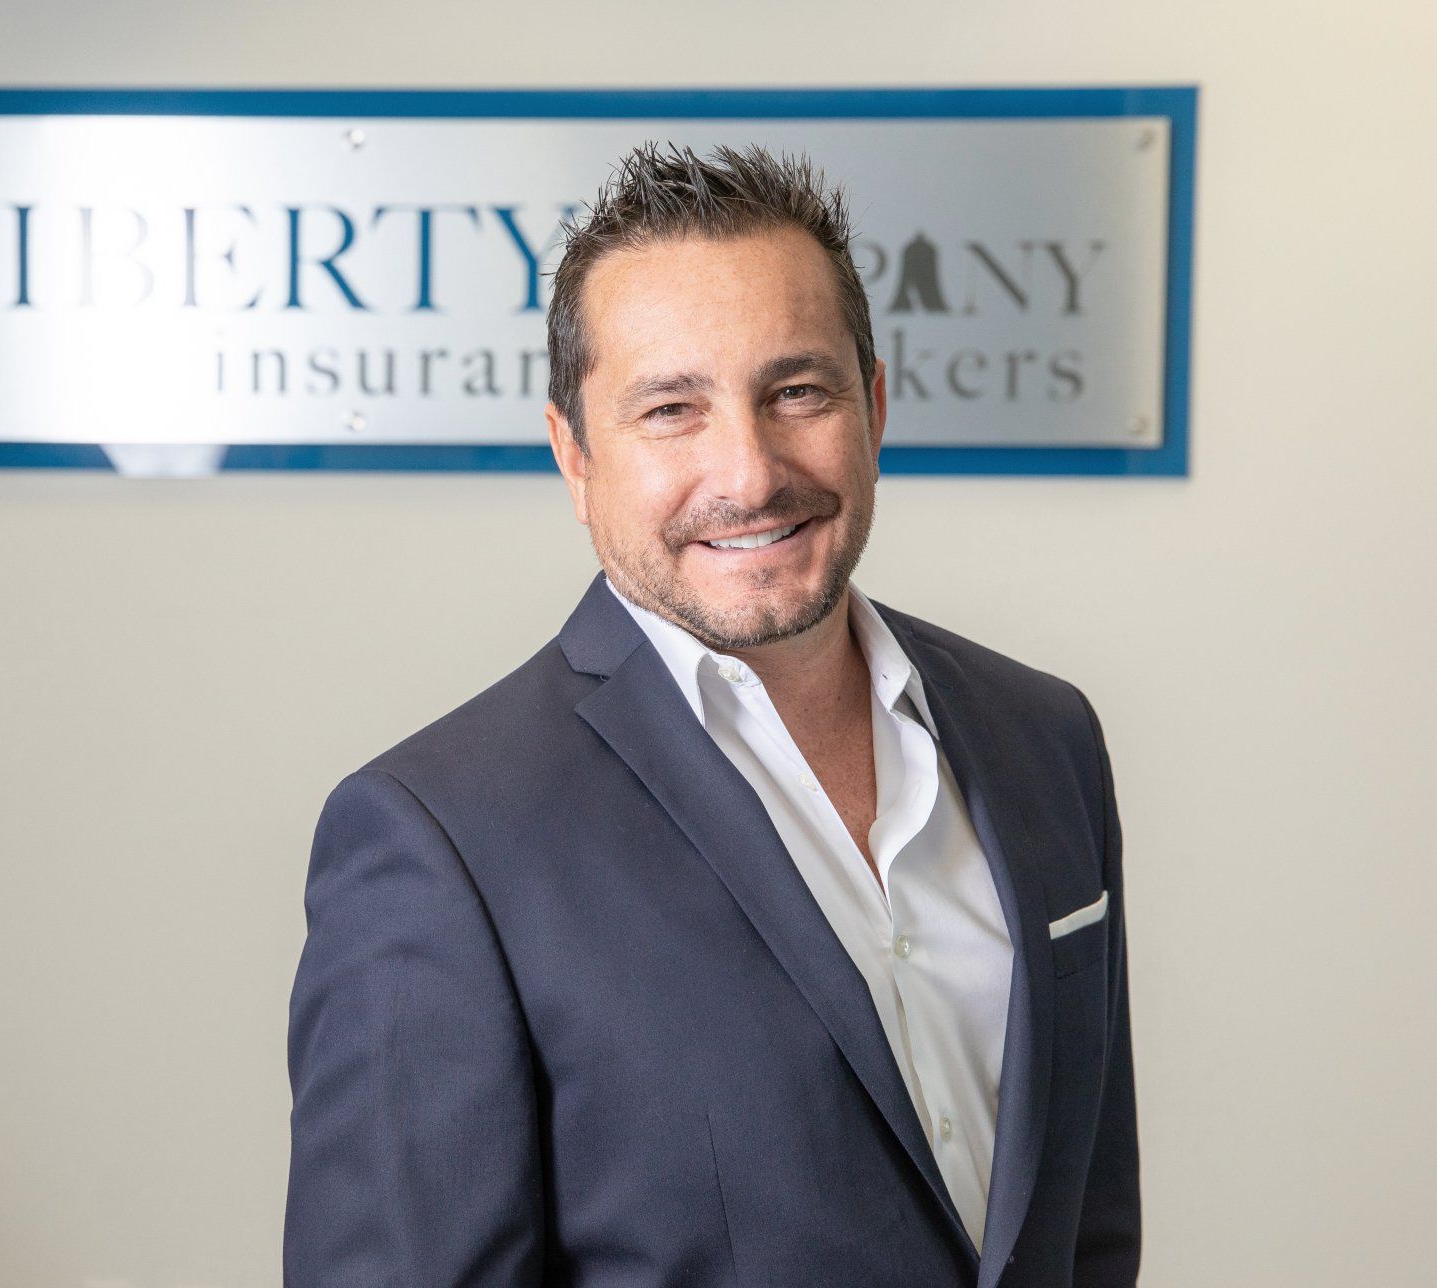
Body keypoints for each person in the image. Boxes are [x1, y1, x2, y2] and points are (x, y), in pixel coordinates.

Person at [284, 141, 1139, 1287]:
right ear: (574, 456)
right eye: (671, 410)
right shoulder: (443, 840)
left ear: (874, 407)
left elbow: (1086, 1229)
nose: (748, 470)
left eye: (797, 391)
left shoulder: (1047, 738)